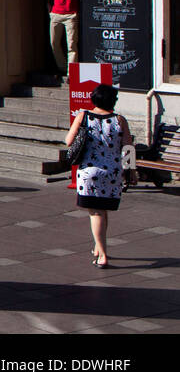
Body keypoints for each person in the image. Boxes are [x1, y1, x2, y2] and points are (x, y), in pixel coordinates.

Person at [67, 83, 132, 268]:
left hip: (89, 171)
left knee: (95, 213)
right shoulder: (120, 120)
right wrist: (131, 171)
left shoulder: (83, 116)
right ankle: (98, 247)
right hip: (112, 172)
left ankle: (102, 255)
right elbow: (128, 147)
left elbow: (68, 141)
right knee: (102, 211)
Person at [48, 0, 79, 77]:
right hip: (56, 13)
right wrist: (50, 8)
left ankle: (71, 73)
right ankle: (62, 67)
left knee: (71, 45)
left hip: (70, 14)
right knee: (54, 43)